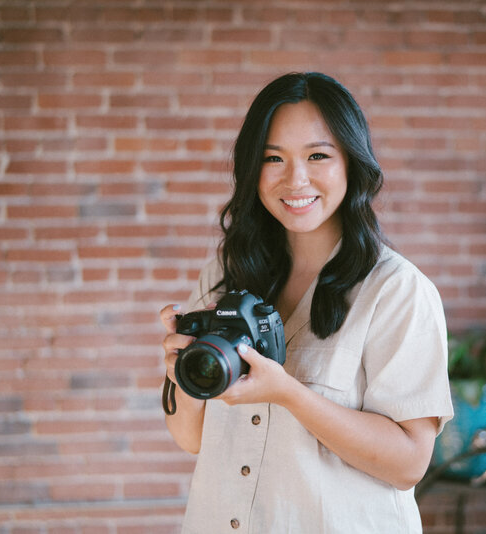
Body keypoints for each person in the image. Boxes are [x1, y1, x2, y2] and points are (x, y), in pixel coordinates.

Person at [159, 72, 453, 533]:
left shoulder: (395, 290)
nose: (296, 179)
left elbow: (409, 463)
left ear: (351, 163)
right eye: (273, 158)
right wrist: (182, 370)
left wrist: (289, 394)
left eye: (317, 155)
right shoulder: (225, 274)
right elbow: (190, 436)